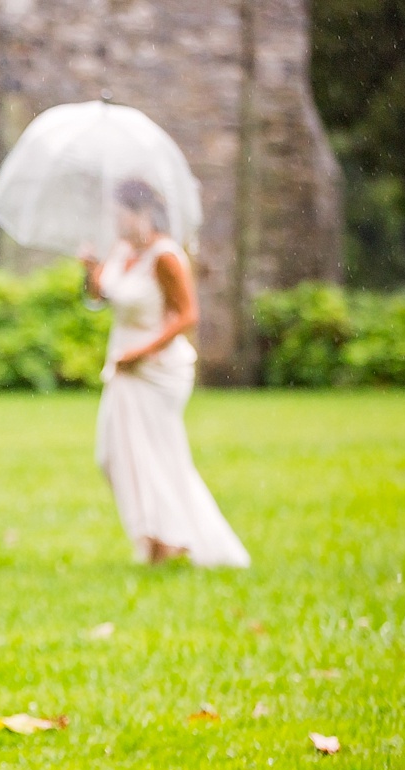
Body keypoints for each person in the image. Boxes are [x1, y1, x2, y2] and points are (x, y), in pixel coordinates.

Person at [82, 179, 250, 567]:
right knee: (113, 455)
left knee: (156, 454)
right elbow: (100, 298)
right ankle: (156, 533)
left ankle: (169, 540)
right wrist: (91, 269)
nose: (114, 221)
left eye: (119, 213)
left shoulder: (165, 256)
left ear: (139, 213)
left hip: (157, 367)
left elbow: (187, 315)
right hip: (123, 363)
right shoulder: (121, 250)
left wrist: (140, 352)